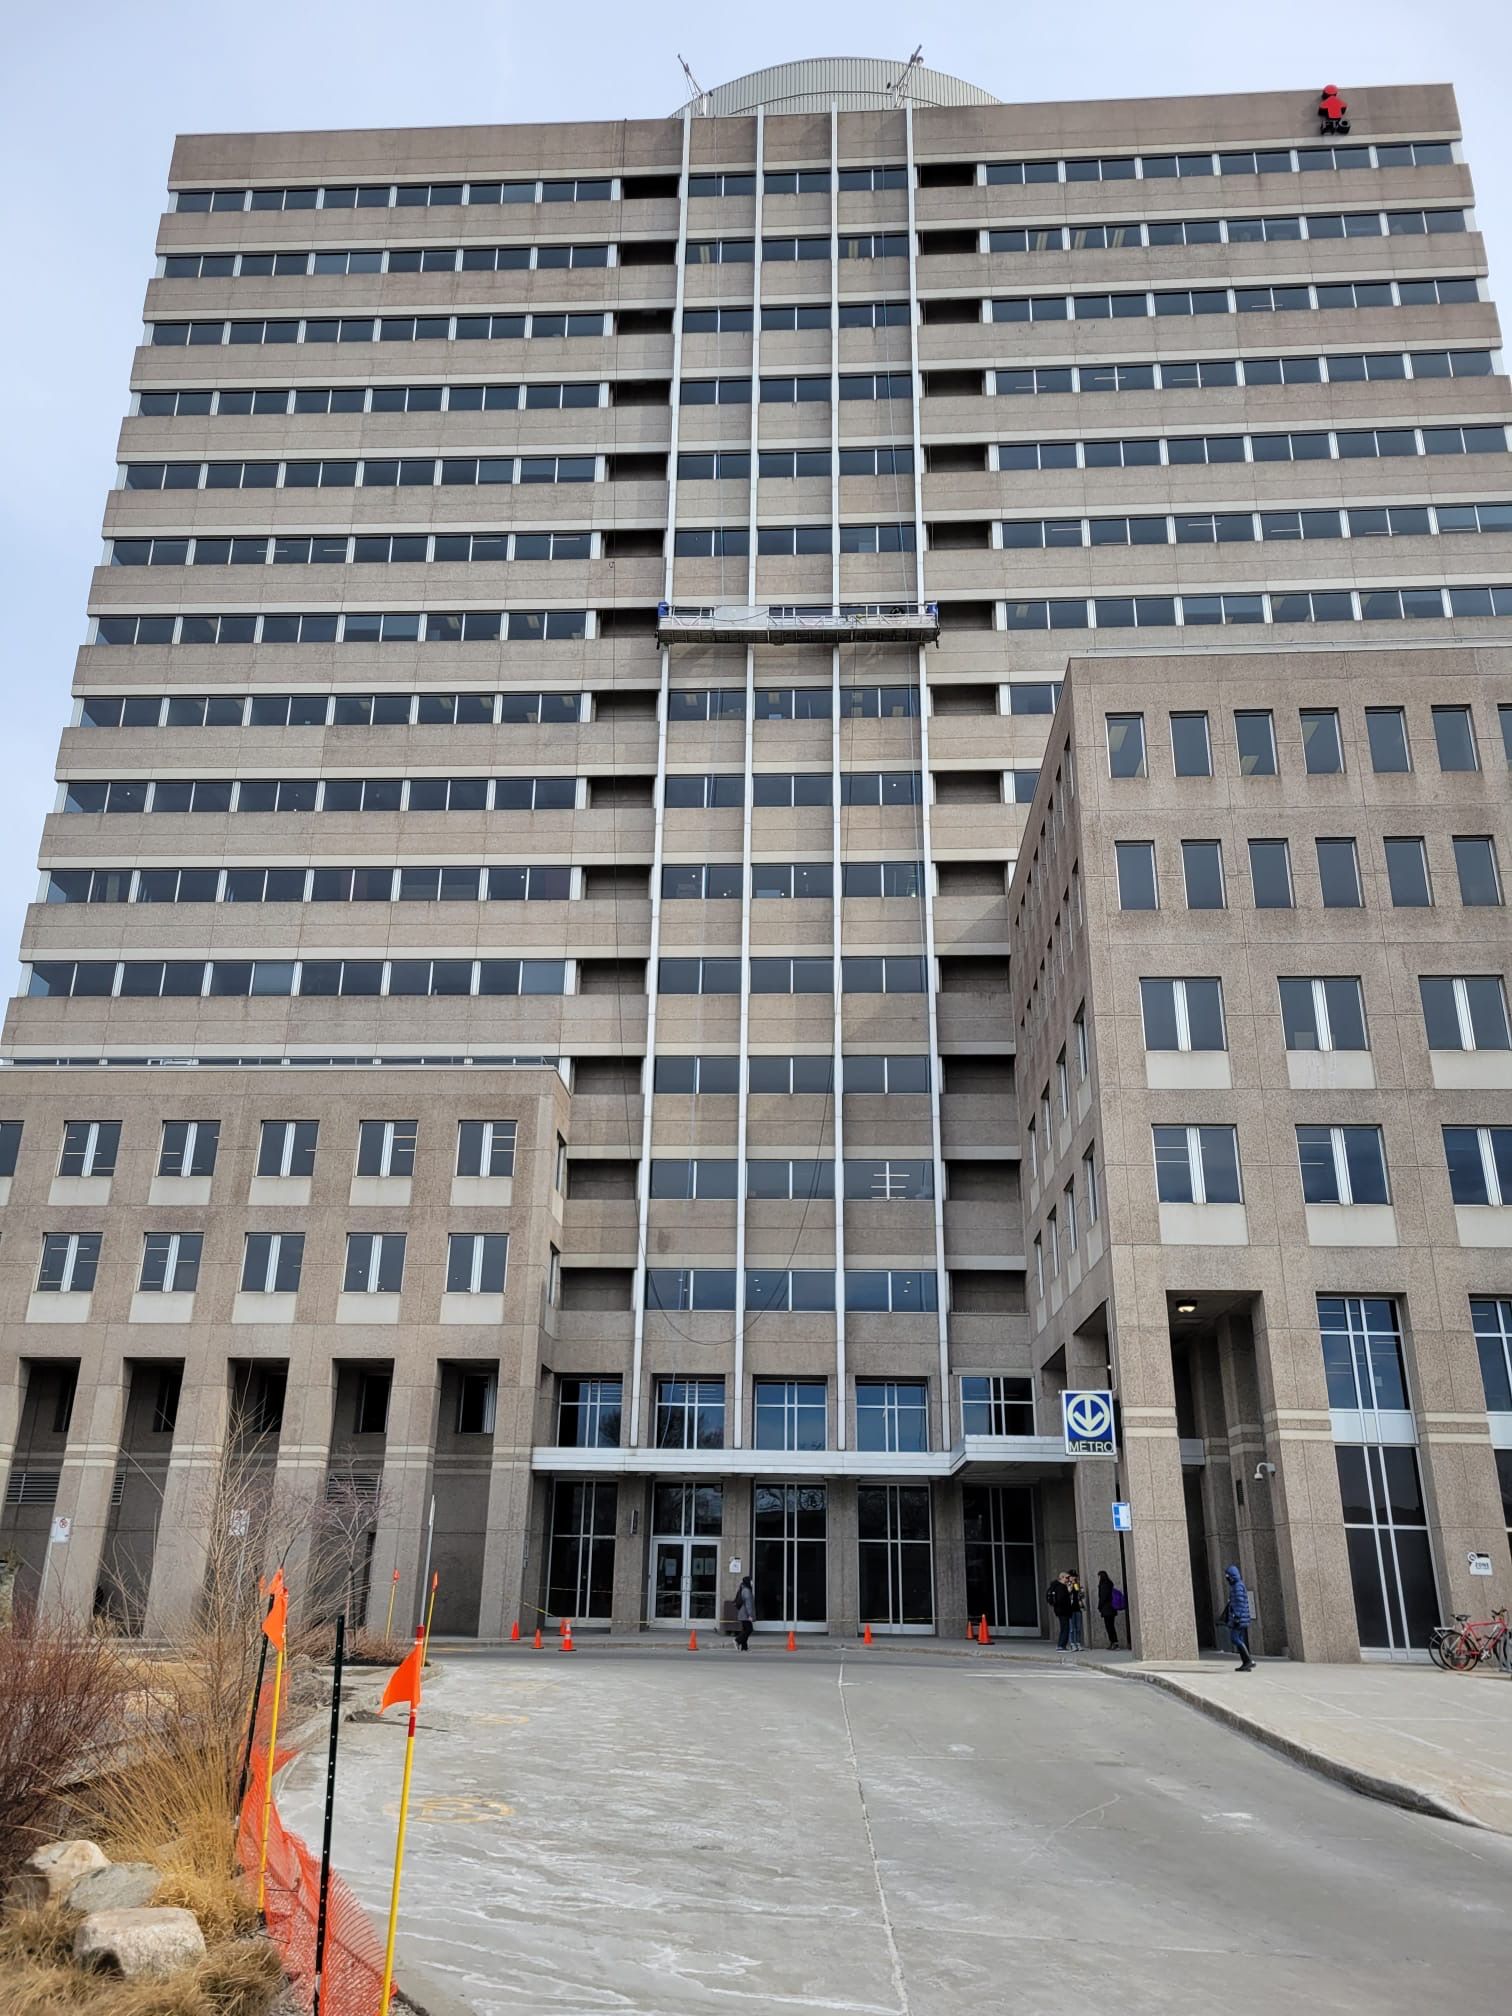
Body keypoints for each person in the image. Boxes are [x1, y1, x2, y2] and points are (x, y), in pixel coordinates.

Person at [1222, 1563, 1255, 1672]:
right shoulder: (1237, 1585)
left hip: (1239, 1618)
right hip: (1240, 1618)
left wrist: (1236, 1616)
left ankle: (1248, 1661)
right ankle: (1246, 1663)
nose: (1227, 1579)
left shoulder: (1237, 1587)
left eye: (1228, 1576)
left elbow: (1239, 1603)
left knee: (1235, 1638)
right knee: (1239, 1639)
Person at [1047, 1571, 1075, 1651]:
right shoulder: (1061, 1587)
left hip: (1060, 1610)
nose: (1068, 1579)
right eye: (1067, 1578)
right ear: (1062, 1578)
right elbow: (1061, 1599)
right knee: (1065, 1628)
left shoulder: (1057, 1586)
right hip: (1063, 1611)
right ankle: (1061, 1646)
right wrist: (1068, 1592)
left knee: (1064, 1628)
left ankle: (1061, 1645)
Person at [1097, 1570, 1122, 1649]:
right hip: (1112, 1608)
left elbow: (1103, 1597)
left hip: (1106, 1609)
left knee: (1109, 1627)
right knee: (1111, 1626)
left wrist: (1099, 1606)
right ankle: (1114, 1642)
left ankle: (1113, 1642)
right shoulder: (1109, 1584)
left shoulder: (1103, 1586)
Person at [733, 1575, 755, 1652]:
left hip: (743, 1614)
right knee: (749, 1629)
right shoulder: (747, 1591)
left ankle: (744, 1647)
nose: (752, 1582)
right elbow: (748, 1604)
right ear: (748, 1581)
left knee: (745, 1629)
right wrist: (750, 1615)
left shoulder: (743, 1589)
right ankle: (737, 1640)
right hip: (745, 1614)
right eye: (751, 1581)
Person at [1066, 1571, 1085, 1651]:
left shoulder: (1078, 1585)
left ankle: (1078, 1643)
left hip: (1078, 1608)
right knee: (1071, 1628)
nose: (1074, 1578)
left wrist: (1077, 1586)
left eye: (1075, 1576)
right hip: (1070, 1609)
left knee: (1078, 1627)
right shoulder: (1067, 1584)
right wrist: (1071, 1585)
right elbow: (1068, 1592)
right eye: (1072, 1576)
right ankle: (1072, 1644)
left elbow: (1082, 1595)